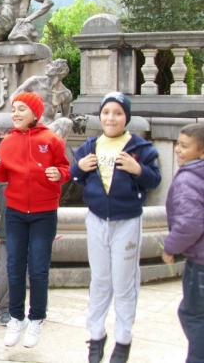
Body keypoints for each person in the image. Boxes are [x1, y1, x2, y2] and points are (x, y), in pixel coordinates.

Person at [71, 92, 161, 363]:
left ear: (126, 117)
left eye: (118, 113)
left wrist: (137, 169)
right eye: (106, 112)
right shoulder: (89, 146)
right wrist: (79, 168)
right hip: (97, 219)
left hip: (127, 221)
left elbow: (154, 181)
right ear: (100, 116)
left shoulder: (141, 148)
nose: (111, 118)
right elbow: (76, 178)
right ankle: (96, 334)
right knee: (100, 280)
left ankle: (123, 339)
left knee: (124, 283)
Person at [0, 92, 70, 348]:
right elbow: (2, 175)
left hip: (44, 213)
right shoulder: (8, 141)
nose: (16, 113)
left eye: (22, 109)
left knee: (39, 269)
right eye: (14, 109)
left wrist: (59, 174)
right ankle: (16, 318)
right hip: (16, 212)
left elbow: (65, 169)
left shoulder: (51, 139)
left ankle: (37, 319)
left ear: (35, 113)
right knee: (14, 267)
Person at [162, 123, 204, 363]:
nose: (178, 149)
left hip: (200, 265)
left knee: (193, 315)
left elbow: (190, 224)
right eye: (178, 143)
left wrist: (170, 248)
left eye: (185, 146)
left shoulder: (188, 179)